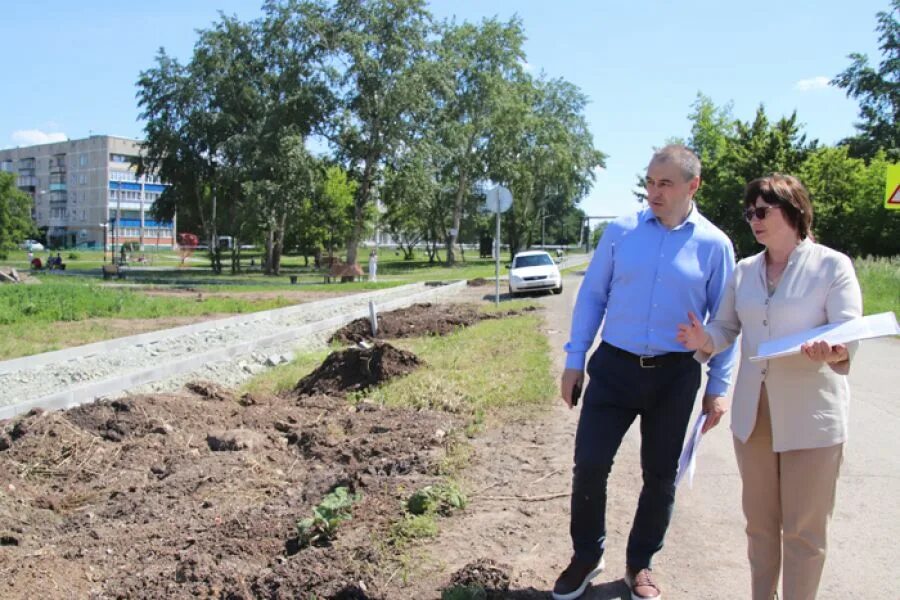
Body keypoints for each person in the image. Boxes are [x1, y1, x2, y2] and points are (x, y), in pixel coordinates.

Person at [554, 144, 737, 600]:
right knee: (591, 464)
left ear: (692, 186)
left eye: (665, 184)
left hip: (674, 377)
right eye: (650, 182)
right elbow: (592, 297)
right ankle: (585, 555)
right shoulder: (621, 232)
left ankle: (641, 563)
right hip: (614, 368)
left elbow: (727, 322)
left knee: (660, 475)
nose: (653, 192)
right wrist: (575, 360)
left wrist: (718, 387)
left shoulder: (715, 245)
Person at [676, 174, 862, 600]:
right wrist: (703, 339)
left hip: (811, 419)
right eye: (749, 213)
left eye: (762, 211)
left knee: (803, 533)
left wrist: (834, 350)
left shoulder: (832, 266)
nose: (754, 220)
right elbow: (725, 326)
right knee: (760, 526)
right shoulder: (744, 271)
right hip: (753, 417)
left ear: (794, 210)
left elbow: (848, 330)